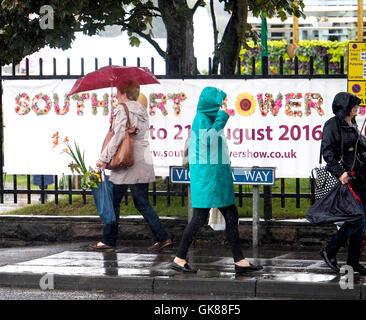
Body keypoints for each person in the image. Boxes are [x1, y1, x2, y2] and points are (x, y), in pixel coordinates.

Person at [171, 86, 262, 273]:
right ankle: (180, 258)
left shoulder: (207, 119)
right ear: (212, 104)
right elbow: (209, 141)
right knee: (201, 218)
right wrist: (221, 119)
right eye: (220, 103)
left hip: (214, 178)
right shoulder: (202, 119)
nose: (223, 107)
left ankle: (239, 261)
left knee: (228, 215)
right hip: (209, 179)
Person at [90, 79, 172, 251]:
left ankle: (108, 240)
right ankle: (162, 237)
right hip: (142, 160)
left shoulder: (122, 109)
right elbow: (129, 131)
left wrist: (104, 158)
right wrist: (113, 121)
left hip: (126, 161)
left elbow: (119, 136)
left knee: (113, 201)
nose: (116, 94)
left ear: (124, 93)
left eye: (118, 91)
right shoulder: (142, 110)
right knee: (142, 202)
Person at [319, 92, 366, 275]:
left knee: (362, 220)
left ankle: (353, 262)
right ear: (345, 106)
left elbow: (359, 147)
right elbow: (327, 153)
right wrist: (340, 173)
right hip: (347, 178)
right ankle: (330, 250)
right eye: (354, 105)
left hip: (360, 177)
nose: (357, 108)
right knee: (357, 219)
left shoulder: (353, 123)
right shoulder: (332, 125)